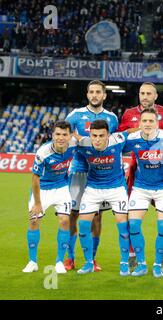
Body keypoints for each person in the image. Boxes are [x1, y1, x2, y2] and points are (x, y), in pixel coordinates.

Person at [118, 81, 163, 273]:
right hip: (137, 175)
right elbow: (119, 138)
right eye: (142, 93)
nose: (145, 96)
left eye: (149, 93)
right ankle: (133, 256)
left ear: (155, 96)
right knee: (133, 219)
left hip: (162, 174)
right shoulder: (128, 114)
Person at [64, 80, 119, 272]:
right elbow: (65, 134)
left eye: (98, 92)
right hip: (79, 170)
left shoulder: (111, 118)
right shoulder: (75, 115)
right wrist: (82, 141)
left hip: (100, 172)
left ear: (104, 95)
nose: (94, 95)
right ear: (87, 94)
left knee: (97, 217)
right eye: (91, 92)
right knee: (73, 214)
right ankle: (70, 258)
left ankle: (92, 258)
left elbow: (113, 142)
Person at [75, 120, 130, 276]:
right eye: (94, 136)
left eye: (101, 136)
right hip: (93, 188)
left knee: (123, 227)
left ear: (108, 135)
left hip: (117, 188)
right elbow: (72, 137)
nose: (97, 139)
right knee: (84, 226)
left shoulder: (118, 140)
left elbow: (131, 131)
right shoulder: (84, 143)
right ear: (90, 135)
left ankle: (124, 263)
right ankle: (88, 263)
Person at [23, 121, 77, 274]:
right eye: (58, 134)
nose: (61, 138)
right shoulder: (43, 152)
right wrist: (38, 203)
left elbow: (84, 141)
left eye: (64, 134)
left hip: (61, 187)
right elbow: (35, 179)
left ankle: (60, 262)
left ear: (70, 135)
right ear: (52, 135)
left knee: (65, 220)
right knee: (34, 221)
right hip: (42, 189)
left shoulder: (74, 144)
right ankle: (32, 262)